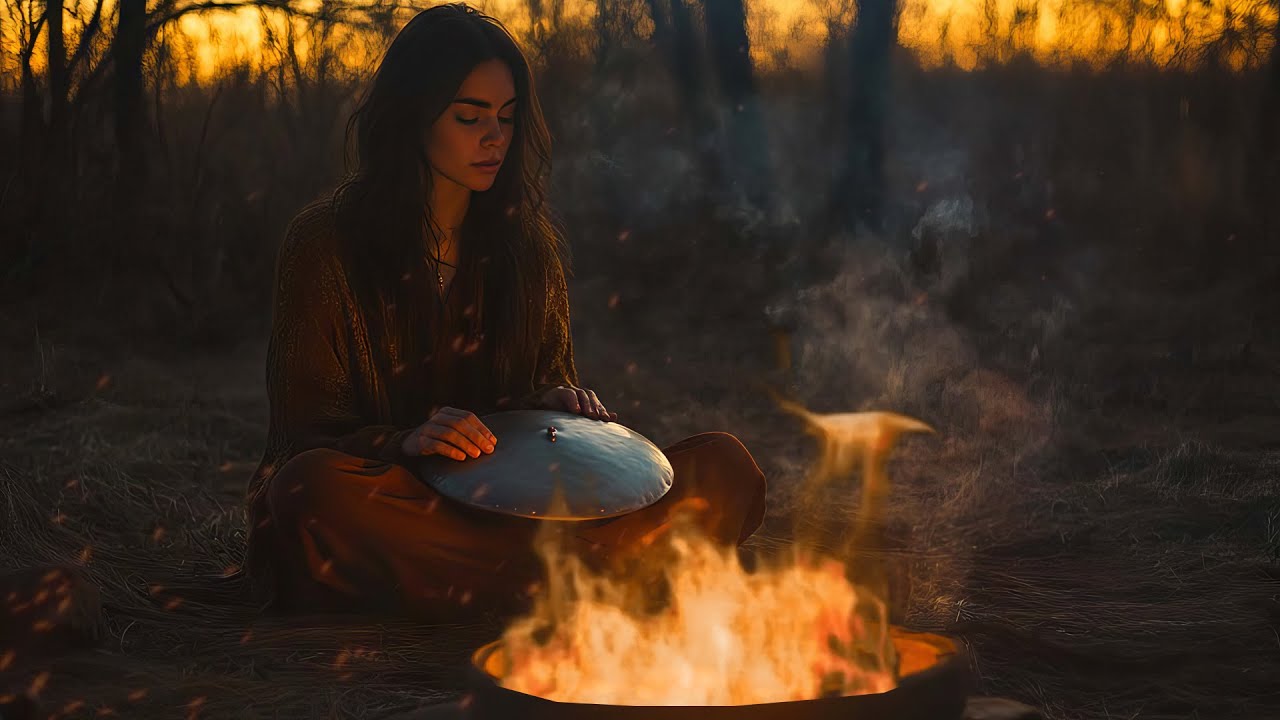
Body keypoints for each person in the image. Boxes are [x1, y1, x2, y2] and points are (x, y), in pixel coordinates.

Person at [243, 3, 766, 620]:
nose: (495, 137)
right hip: (406, 506)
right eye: (470, 117)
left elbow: (542, 435)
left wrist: (557, 408)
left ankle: (528, 584)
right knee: (310, 493)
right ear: (413, 117)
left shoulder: (528, 249)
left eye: (507, 118)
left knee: (724, 468)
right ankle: (587, 585)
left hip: (518, 515)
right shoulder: (324, 243)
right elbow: (301, 436)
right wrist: (405, 441)